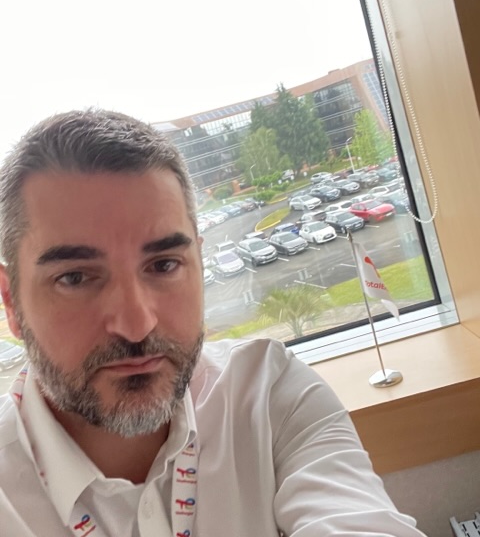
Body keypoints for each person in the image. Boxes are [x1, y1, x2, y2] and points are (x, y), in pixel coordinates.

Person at [0, 109, 427, 536]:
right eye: (74, 278)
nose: (137, 325)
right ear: (11, 303)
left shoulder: (267, 396)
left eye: (164, 265)